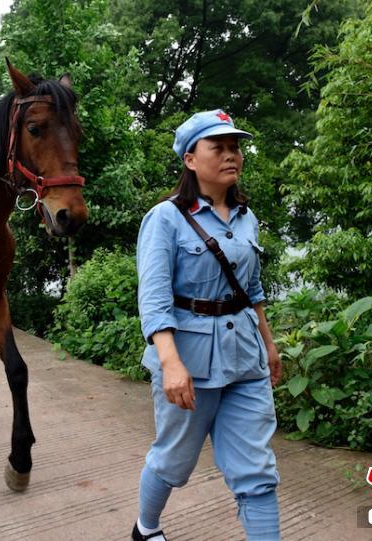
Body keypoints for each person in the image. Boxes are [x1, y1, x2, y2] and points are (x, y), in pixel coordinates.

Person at [132, 110, 283, 541]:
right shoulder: (165, 218)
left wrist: (269, 345)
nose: (231, 155)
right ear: (190, 160)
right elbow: (155, 299)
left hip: (246, 360)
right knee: (173, 461)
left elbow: (251, 289)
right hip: (190, 361)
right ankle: (146, 528)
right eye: (218, 147)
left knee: (257, 471)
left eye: (235, 147)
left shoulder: (246, 216)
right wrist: (170, 362)